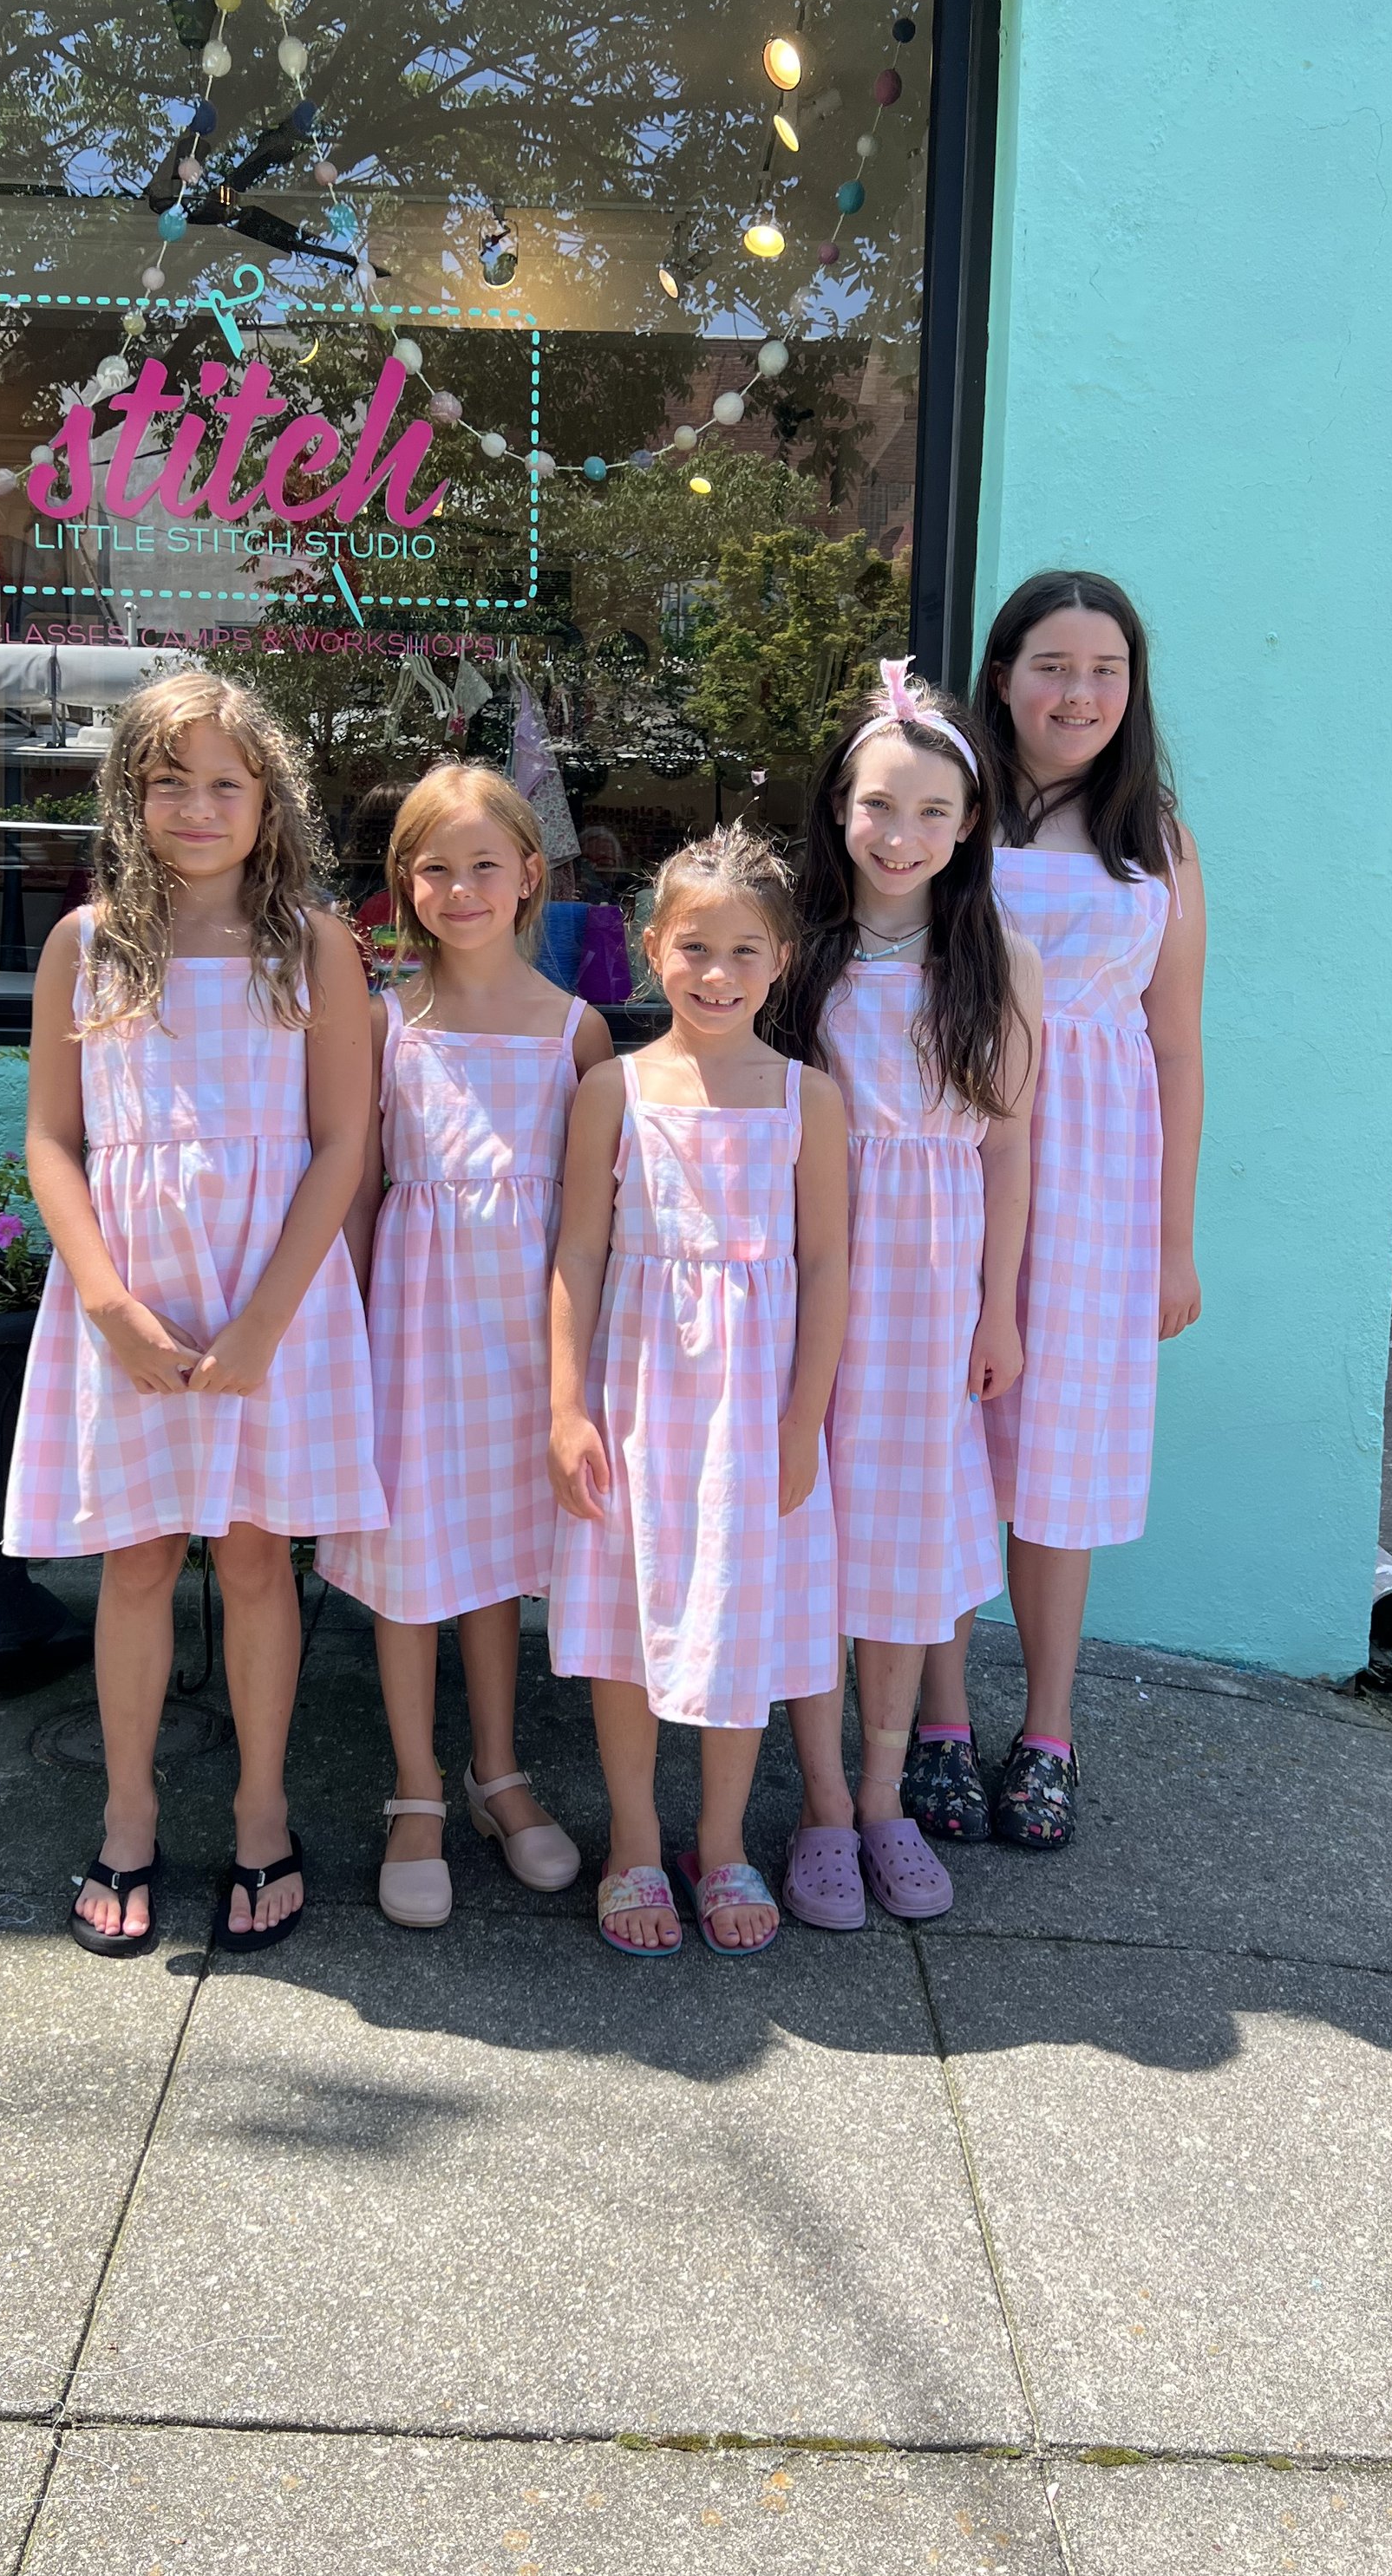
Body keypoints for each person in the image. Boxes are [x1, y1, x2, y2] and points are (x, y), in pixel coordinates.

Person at [7, 672, 383, 1959]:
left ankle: (262, 1809)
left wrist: (272, 1315)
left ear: (269, 800)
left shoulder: (318, 944)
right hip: (134, 1298)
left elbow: (342, 1143)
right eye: (171, 780)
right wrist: (106, 1301)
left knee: (257, 1558)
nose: (199, 805)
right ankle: (126, 1813)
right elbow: (53, 1142)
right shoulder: (86, 943)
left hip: (269, 1293)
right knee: (137, 1559)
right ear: (133, 795)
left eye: (228, 781)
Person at [912, 571, 1206, 1851]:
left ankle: (1045, 1728)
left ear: (1131, 689)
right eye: (1050, 664)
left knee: (1058, 1465)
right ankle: (931, 1719)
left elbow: (1179, 1046)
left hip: (1095, 1182)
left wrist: (1174, 1239)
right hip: (946, 1154)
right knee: (935, 1440)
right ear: (1003, 674)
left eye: (1104, 669)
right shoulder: (957, 817)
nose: (1076, 692)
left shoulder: (1159, 839)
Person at [768, 659, 1040, 1927]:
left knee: (902, 1545)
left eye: (933, 811)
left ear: (970, 823)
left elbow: (1008, 1143)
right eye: (880, 805)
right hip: (815, 1272)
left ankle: (884, 1795)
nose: (902, 833)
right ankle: (821, 1799)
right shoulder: (797, 955)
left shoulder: (997, 960)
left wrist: (999, 1305)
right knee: (813, 1533)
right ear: (838, 807)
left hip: (933, 1289)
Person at [546, 828, 848, 1959]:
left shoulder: (808, 1101)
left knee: (741, 1619)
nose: (716, 973)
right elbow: (578, 1252)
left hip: (753, 1405)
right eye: (694, 947)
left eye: (743, 950)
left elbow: (827, 1264)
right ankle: (634, 1836)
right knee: (630, 1622)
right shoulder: (611, 1090)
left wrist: (802, 1417)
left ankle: (719, 1837)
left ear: (781, 960)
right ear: (649, 948)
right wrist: (568, 1405)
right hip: (637, 1402)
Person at [321, 763, 610, 1927]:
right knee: (410, 1570)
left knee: (493, 1565)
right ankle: (417, 1787)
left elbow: (595, 1220)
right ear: (403, 885)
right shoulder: (385, 1023)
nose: (461, 886)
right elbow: (359, 1187)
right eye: (433, 866)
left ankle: (500, 1770)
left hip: (523, 1344)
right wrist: (337, 1331)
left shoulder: (578, 1034)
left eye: (486, 863)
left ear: (532, 875)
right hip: (412, 1335)